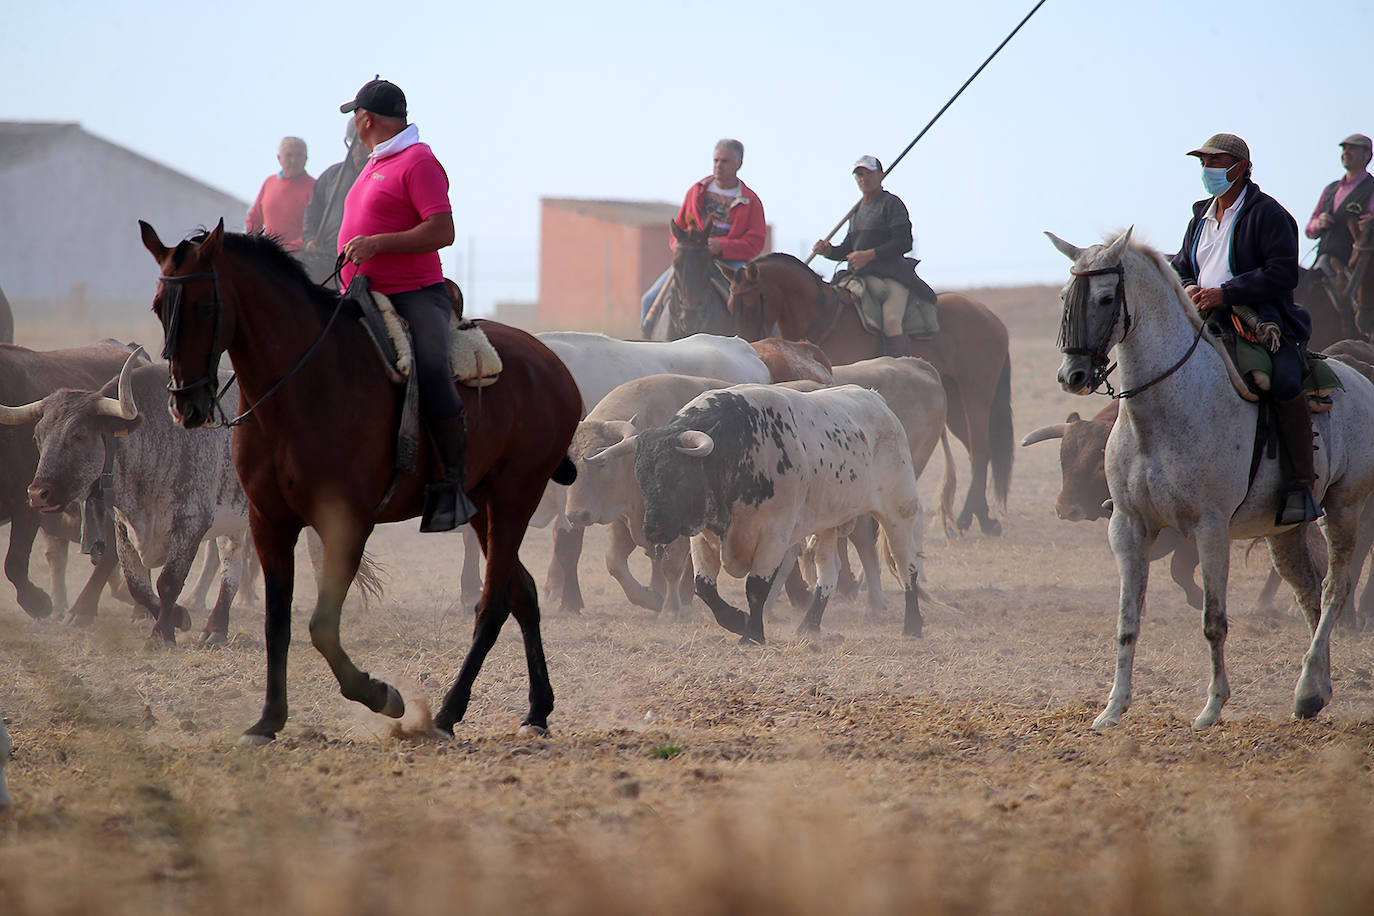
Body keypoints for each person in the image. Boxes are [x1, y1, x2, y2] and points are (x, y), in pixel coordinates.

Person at [338, 77, 475, 531]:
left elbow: (442, 231)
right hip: (360, 294)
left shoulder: (418, 161)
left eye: (355, 117)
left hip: (415, 293)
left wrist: (378, 244)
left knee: (433, 369)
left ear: (366, 120)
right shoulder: (375, 162)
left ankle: (451, 485)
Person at [1170, 133, 1316, 524]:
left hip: (1262, 319)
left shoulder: (1271, 215)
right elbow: (1183, 264)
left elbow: (1283, 273)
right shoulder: (1199, 217)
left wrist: (1226, 293)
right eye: (1203, 163)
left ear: (1240, 167)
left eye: (1216, 162)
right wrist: (1189, 287)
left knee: (1284, 382)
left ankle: (1301, 483)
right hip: (1201, 318)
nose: (1207, 170)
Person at [811, 156, 937, 357]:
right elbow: (849, 249)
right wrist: (829, 251)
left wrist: (870, 255)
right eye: (860, 175)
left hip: (892, 274)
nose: (864, 179)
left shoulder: (892, 204)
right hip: (860, 277)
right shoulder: (857, 211)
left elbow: (904, 242)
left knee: (892, 320)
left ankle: (899, 370)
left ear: (882, 175)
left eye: (869, 173)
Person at [640, 139, 766, 334]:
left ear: (739, 164)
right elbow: (679, 229)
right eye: (716, 160)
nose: (718, 166)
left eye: (724, 161)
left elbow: (756, 242)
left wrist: (721, 247)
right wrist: (683, 250)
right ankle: (647, 344)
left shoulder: (751, 201)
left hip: (730, 264)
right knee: (648, 300)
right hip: (694, 259)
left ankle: (754, 345)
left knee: (750, 304)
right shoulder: (697, 191)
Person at [301, 120, 370, 285]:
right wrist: (310, 238)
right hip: (329, 257)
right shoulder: (332, 176)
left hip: (365, 259)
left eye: (363, 143)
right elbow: (313, 213)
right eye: (354, 143)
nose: (359, 149)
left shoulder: (381, 173)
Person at [1305, 133, 1374, 283]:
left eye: (1352, 148)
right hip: (1322, 265)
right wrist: (1318, 223)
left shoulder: (1372, 188)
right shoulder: (1331, 189)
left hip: (1357, 271)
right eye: (1344, 149)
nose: (1346, 152)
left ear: (1367, 155)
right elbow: (1309, 230)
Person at [246, 137, 315, 252]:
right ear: (279, 158)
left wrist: (287, 249)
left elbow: (315, 229)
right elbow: (254, 219)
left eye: (299, 155)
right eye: (289, 155)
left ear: (306, 159)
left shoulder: (314, 187)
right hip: (267, 254)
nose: (294, 160)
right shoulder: (270, 182)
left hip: (297, 259)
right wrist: (253, 244)